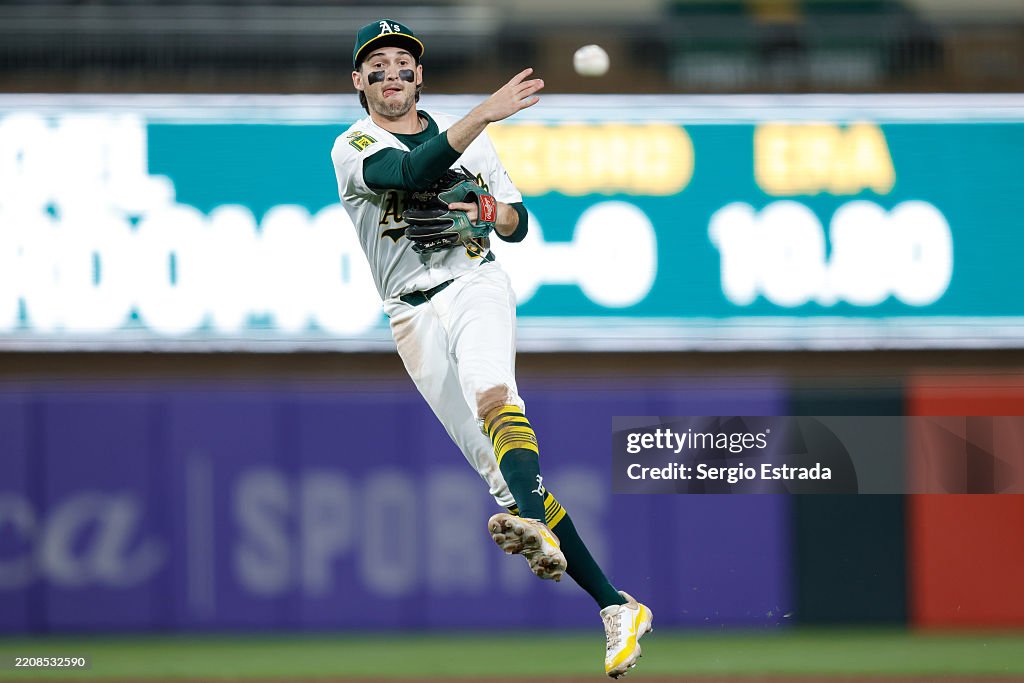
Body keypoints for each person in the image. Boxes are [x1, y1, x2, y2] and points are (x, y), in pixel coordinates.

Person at [331, 19, 653, 678]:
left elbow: (518, 222)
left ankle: (536, 527)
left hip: (473, 281)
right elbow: (410, 168)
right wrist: (483, 113)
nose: (392, 74)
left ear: (418, 76)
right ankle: (617, 605)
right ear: (359, 81)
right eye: (378, 65)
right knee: (505, 480)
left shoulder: (474, 141)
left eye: (403, 63)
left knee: (492, 393)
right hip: (410, 314)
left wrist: (485, 213)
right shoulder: (352, 143)